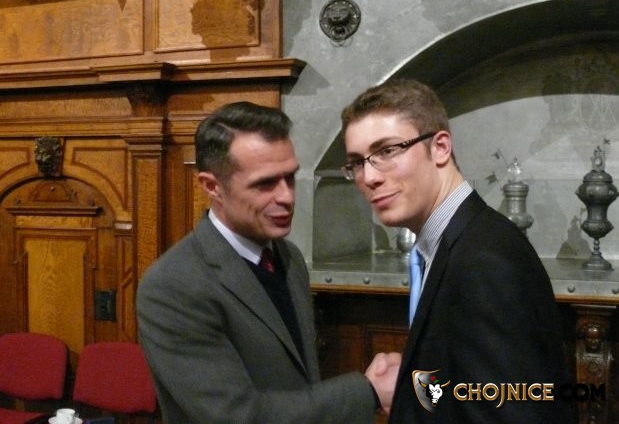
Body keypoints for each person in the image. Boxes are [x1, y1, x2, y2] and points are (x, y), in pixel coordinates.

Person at [137, 101, 400, 424]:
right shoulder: (173, 285)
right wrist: (368, 391)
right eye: (265, 184)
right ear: (212, 186)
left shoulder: (288, 258)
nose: (287, 196)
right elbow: (237, 417)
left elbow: (297, 382)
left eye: (290, 178)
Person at [341, 79, 574, 422]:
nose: (370, 176)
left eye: (387, 151)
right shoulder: (449, 243)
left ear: (440, 147)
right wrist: (413, 378)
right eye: (358, 162)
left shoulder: (485, 260)